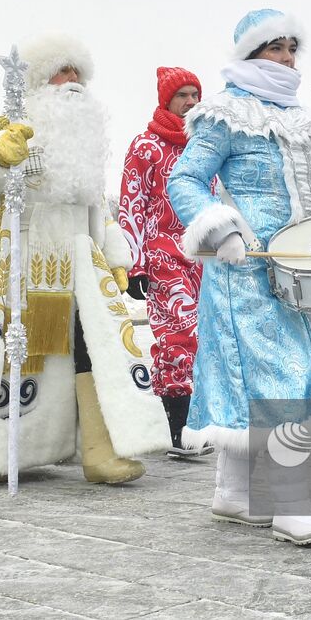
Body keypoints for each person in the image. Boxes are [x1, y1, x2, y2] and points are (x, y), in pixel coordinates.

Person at [167, 9, 311, 546]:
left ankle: (232, 493)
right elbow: (184, 178)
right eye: (275, 48)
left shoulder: (303, 122)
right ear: (251, 55)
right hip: (245, 266)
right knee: (280, 375)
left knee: (270, 376)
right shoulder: (223, 114)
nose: (287, 58)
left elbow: (310, 193)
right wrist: (219, 228)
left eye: (291, 49)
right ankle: (290, 504)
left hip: (299, 267)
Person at [0, 33, 167, 483]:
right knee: (16, 361)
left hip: (81, 267)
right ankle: (2, 453)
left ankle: (99, 454)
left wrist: (116, 256)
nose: (73, 82)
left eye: (79, 73)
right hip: (22, 267)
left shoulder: (82, 140)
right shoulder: (7, 127)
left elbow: (97, 206)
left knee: (93, 354)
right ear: (41, 80)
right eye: (63, 72)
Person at [118, 66, 212, 458]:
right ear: (166, 101)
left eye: (195, 95)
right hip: (163, 255)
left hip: (204, 255)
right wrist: (135, 263)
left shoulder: (207, 145)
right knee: (177, 338)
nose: (191, 102)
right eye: (183, 96)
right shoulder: (146, 146)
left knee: (206, 338)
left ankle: (199, 422)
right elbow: (132, 205)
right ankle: (178, 428)